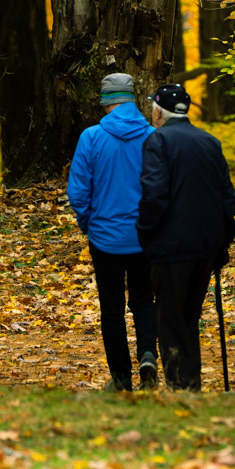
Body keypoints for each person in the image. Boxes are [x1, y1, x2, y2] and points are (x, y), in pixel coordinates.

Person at [136, 82, 235, 391]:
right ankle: (190, 384)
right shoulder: (209, 141)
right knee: (189, 318)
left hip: (171, 248)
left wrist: (145, 234)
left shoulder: (158, 141)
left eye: (153, 107)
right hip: (204, 248)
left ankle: (181, 388)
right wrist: (222, 240)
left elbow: (154, 195)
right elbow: (228, 198)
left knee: (170, 320)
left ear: (159, 111)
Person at [67, 72, 159, 391]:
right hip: (144, 237)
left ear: (105, 102)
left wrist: (88, 223)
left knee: (112, 309)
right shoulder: (152, 137)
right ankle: (148, 355)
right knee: (144, 301)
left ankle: (121, 378)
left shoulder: (91, 137)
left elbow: (78, 192)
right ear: (132, 99)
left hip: (105, 239)